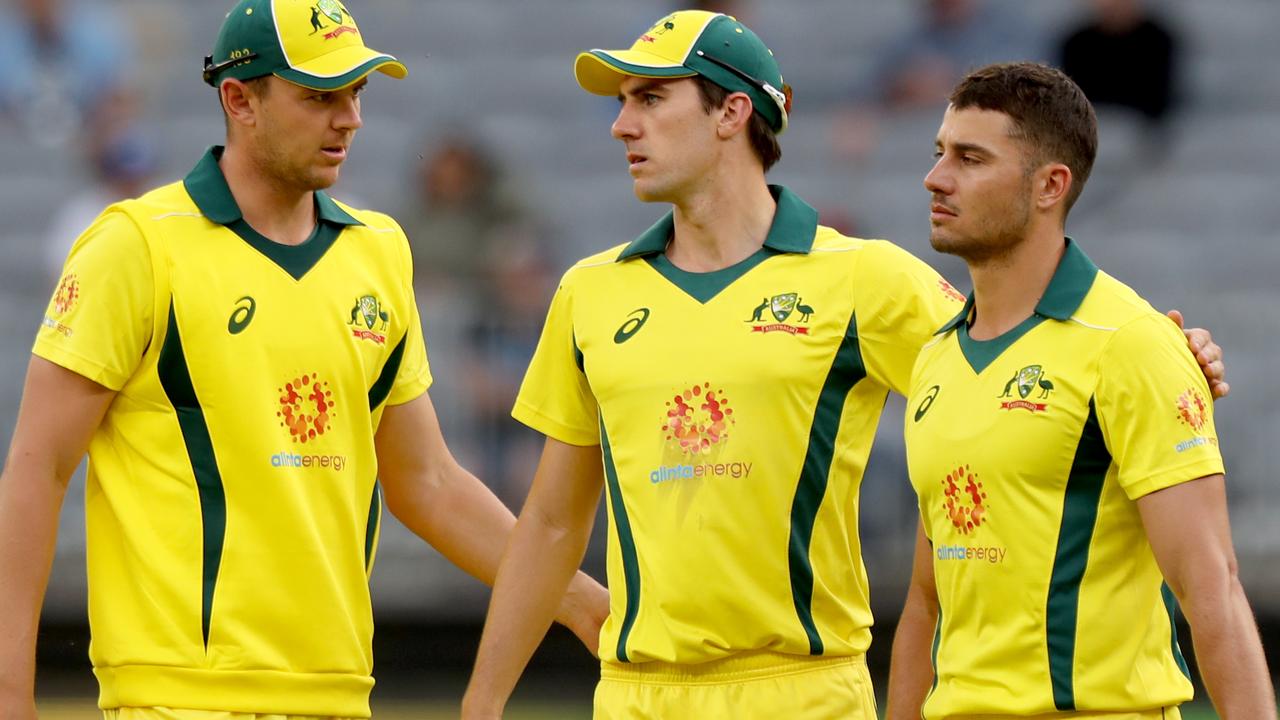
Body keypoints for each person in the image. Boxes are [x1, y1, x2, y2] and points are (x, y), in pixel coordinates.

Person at [460, 11, 1226, 719]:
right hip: (632, 695)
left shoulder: (865, 280)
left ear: (732, 113)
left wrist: (1168, 352)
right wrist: (482, 705)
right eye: (624, 102)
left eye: (652, 100)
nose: (623, 125)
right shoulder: (589, 293)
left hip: (807, 691)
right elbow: (554, 521)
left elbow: (1032, 351)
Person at [0, 1, 605, 717]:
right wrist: (11, 693)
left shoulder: (378, 251)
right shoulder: (136, 246)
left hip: (339, 696)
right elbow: (39, 468)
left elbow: (429, 482)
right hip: (177, 701)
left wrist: (578, 599)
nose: (348, 118)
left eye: (357, 93)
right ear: (238, 99)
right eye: (319, 96)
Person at [887, 62, 1274, 719]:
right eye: (938, 152)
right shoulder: (936, 359)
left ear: (1050, 186)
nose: (936, 177)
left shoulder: (1130, 343)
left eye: (970, 158)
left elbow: (1213, 589)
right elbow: (927, 599)